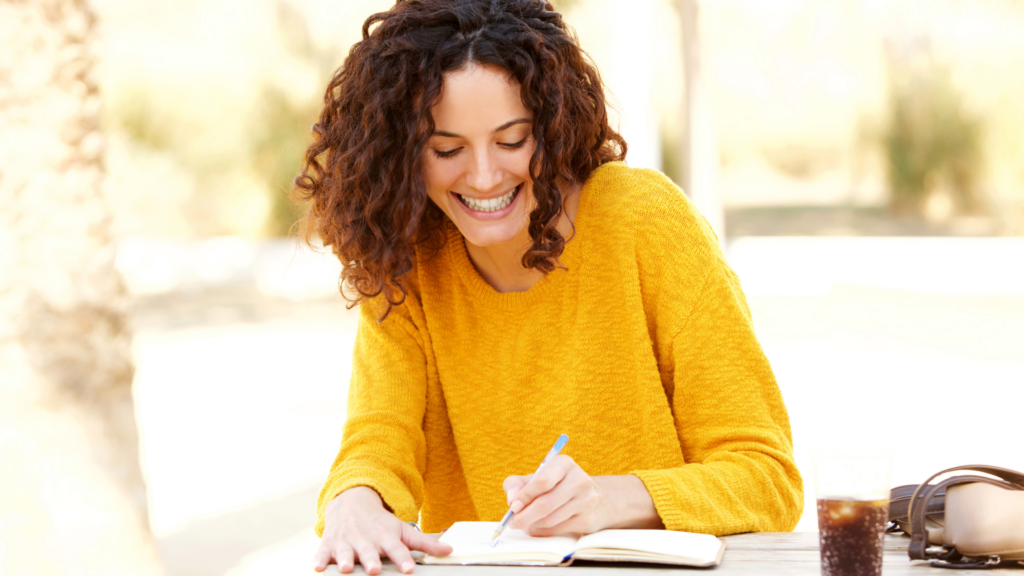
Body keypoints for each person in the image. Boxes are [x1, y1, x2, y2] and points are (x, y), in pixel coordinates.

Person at [297, 1, 803, 574]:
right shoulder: (407, 262)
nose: (484, 176)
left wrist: (612, 500)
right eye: (446, 150)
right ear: (402, 153)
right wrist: (353, 503)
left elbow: (767, 479)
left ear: (554, 126)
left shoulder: (646, 224)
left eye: (513, 141)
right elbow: (377, 443)